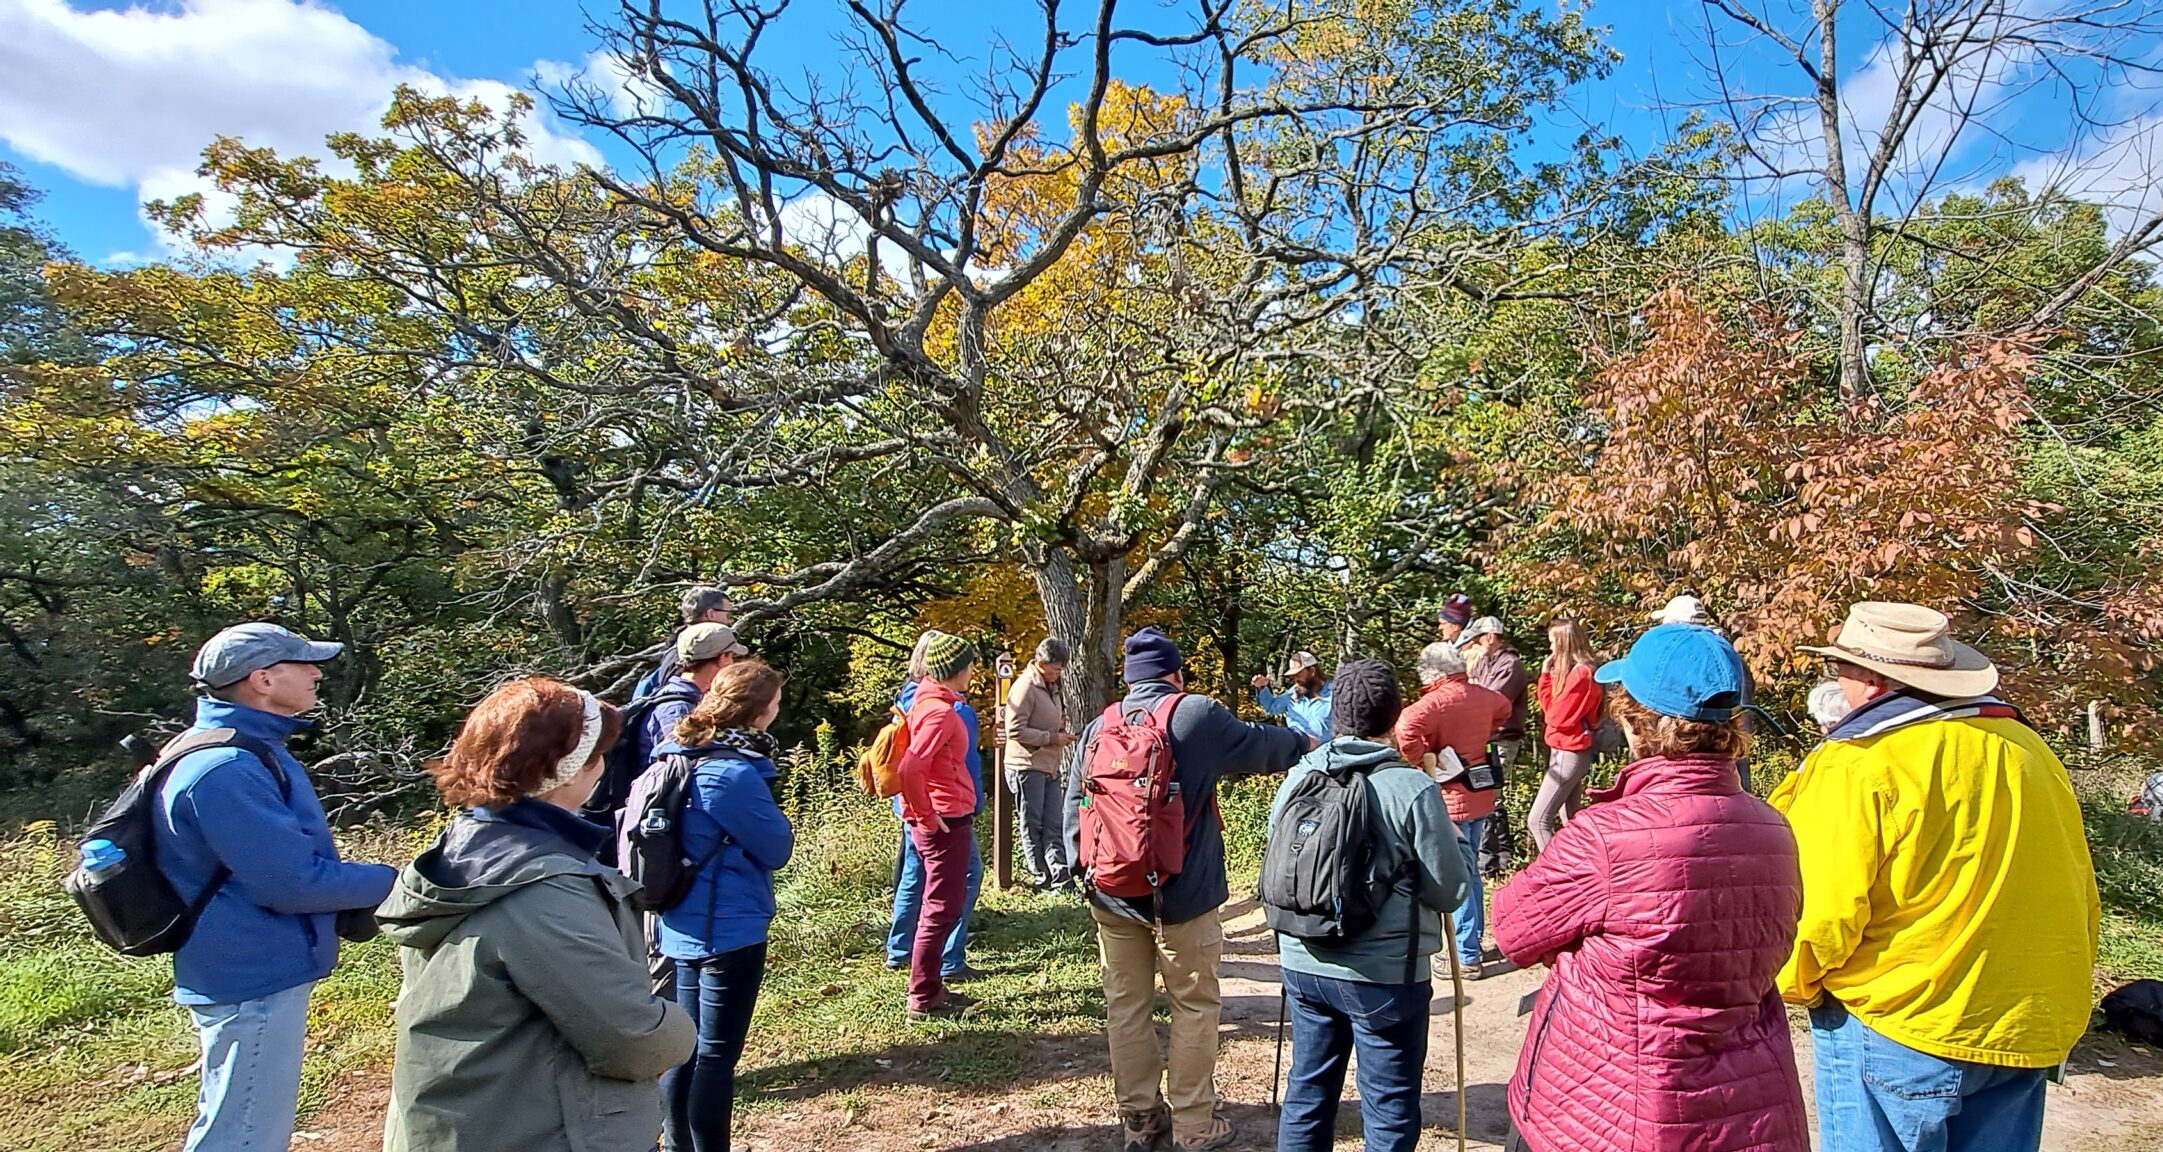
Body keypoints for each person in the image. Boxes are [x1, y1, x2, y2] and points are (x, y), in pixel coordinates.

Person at [1775, 602, 2100, 1152]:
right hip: (2021, 1023)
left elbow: (1817, 910)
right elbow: (2079, 889)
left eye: (1841, 669)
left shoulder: (1861, 763)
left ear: (1872, 680)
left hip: (1901, 1021)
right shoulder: (2028, 749)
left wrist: (1784, 983)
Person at [1492, 623, 1806, 1152]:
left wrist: (1574, 943)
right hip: (1744, 1107)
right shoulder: (1773, 827)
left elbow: (1511, 928)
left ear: (1642, 723)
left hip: (1608, 1106)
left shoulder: (1607, 836)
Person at [379, 678, 694, 1152]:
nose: (602, 767)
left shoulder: (462, 852)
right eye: (596, 755)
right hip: (547, 1130)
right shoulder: (543, 888)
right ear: (567, 772)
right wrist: (679, 1030)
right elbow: (630, 1039)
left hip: (467, 1121)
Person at [156, 623, 398, 1152]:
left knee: (236, 1119)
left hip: (245, 965)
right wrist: (399, 880)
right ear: (263, 680)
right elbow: (292, 883)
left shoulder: (232, 748)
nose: (315, 674)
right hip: (253, 973)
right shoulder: (226, 767)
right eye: (303, 664)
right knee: (244, 1134)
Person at [1065, 627, 1308, 1152]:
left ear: (1128, 681)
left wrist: (1083, 875)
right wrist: (1307, 741)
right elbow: (1262, 748)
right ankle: (1196, 1124)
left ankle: (1140, 1121)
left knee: (1125, 1006)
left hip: (1111, 891)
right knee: (1194, 1003)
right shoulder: (1195, 714)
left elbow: (1074, 811)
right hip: (1186, 892)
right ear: (1174, 674)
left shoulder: (1096, 728)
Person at [1270, 659, 1468, 1152]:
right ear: (1394, 718)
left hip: (1304, 961)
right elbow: (1449, 892)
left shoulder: (1298, 778)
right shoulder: (1412, 788)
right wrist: (1457, 844)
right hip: (1384, 977)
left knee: (1308, 1092)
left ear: (1335, 715)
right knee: (1389, 1105)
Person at [651, 661, 794, 1152]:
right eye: (775, 702)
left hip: (678, 919)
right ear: (758, 713)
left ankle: (676, 1145)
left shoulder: (675, 753)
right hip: (727, 926)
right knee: (715, 1055)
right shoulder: (730, 773)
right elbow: (776, 847)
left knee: (686, 1049)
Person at [1395, 641, 1510, 979]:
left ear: (1434, 672)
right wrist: (1483, 734)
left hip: (1450, 796)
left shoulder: (1435, 701)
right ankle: (1470, 941)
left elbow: (1405, 728)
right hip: (1480, 792)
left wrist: (1421, 756)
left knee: (1457, 872)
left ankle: (1466, 955)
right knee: (1471, 868)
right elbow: (1504, 708)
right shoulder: (1484, 696)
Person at [885, 635, 987, 979]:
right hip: (944, 817)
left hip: (939, 813)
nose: (973, 670)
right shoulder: (940, 712)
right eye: (970, 664)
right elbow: (911, 767)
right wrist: (926, 817)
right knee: (941, 907)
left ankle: (916, 968)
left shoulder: (928, 701)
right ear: (955, 669)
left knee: (926, 891)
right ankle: (928, 987)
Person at [1651, 593, 1758, 790]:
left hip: (1691, 763)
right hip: (1733, 749)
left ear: (1673, 624)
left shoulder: (1683, 661)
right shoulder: (1727, 654)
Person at [1005, 637, 1076, 892]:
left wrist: (1058, 727)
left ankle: (1061, 878)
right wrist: (1051, 738)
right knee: (1032, 823)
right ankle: (1041, 877)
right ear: (1039, 663)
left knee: (1054, 822)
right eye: (1054, 668)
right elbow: (1014, 730)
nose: (1058, 673)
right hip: (1026, 765)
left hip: (1049, 765)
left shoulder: (1051, 687)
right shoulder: (1025, 687)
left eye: (1060, 669)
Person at [1460, 616, 1529, 877]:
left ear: (1491, 636)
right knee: (1489, 795)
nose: (1475, 644)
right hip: (1486, 737)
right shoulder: (1487, 662)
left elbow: (1490, 701)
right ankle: (1500, 858)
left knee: (1491, 795)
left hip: (1502, 738)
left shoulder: (1510, 664)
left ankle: (1492, 862)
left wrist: (1474, 691)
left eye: (1478, 638)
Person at [1528, 619, 1602, 852]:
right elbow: (1550, 710)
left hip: (1569, 752)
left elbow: (1557, 718)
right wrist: (1546, 676)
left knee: (1538, 820)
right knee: (1569, 818)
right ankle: (1584, 870)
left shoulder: (1582, 675)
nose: (1550, 650)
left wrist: (1553, 709)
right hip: (1562, 749)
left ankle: (1552, 879)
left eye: (1552, 643)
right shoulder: (1574, 673)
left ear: (1563, 643)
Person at [635, 621, 749, 770]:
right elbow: (679, 769)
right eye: (732, 656)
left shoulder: (682, 695)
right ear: (723, 657)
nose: (732, 663)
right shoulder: (678, 709)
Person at [633, 585, 735, 698]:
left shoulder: (676, 647)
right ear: (710, 614)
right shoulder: (689, 653)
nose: (729, 620)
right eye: (728, 614)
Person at [1251, 650, 1335, 745]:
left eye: (1298, 674)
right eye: (1293, 676)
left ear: (1312, 671)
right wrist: (1261, 687)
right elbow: (1272, 708)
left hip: (1326, 755)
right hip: (1297, 754)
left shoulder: (1336, 694)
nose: (1295, 679)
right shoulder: (1293, 692)